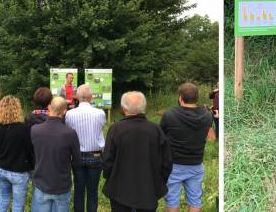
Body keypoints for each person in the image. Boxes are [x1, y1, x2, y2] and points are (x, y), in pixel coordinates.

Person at [101, 91, 172, 212]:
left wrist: (110, 177)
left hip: (120, 188)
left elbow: (107, 160)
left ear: (124, 108)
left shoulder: (116, 129)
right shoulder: (156, 130)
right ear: (144, 107)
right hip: (148, 188)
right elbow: (167, 162)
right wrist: (158, 181)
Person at [160, 83, 214, 212]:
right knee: (195, 201)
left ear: (180, 98)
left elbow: (161, 138)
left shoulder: (169, 115)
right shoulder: (207, 116)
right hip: (196, 164)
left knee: (172, 201)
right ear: (197, 97)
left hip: (173, 165)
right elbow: (210, 137)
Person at [31, 97, 81, 212]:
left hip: (41, 183)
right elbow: (77, 161)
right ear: (65, 111)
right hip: (61, 184)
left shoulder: (35, 130)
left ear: (49, 108)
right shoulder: (70, 133)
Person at [66, 84, 106, 212]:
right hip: (95, 156)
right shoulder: (100, 113)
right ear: (91, 97)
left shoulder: (70, 114)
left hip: (76, 156)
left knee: (78, 189)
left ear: (77, 97)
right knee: (93, 191)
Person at [0, 96, 34, 212]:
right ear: (18, 109)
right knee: (17, 205)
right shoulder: (23, 129)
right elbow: (29, 150)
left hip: (2, 169)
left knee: (3, 201)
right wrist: (31, 166)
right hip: (18, 172)